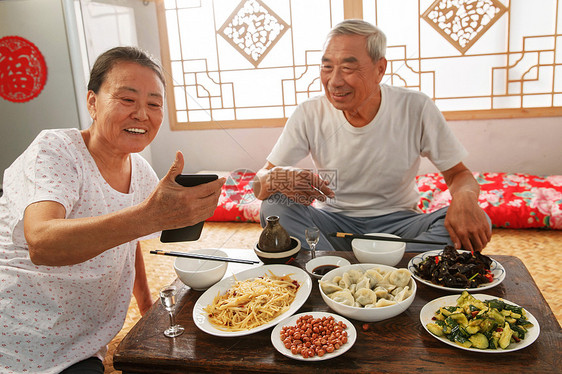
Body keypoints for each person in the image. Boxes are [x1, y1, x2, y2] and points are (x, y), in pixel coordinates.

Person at [0, 46, 225, 374]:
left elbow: (127, 239)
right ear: (92, 102)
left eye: (154, 104)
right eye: (127, 99)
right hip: (21, 339)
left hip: (86, 343)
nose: (142, 115)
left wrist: (146, 304)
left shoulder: (142, 172)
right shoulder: (56, 150)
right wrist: (150, 215)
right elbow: (42, 242)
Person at [252, 19, 491, 253]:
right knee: (275, 206)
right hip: (332, 225)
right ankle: (388, 270)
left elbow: (459, 174)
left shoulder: (415, 107)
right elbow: (260, 181)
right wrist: (273, 177)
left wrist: (466, 197)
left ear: (380, 69)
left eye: (348, 67)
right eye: (327, 67)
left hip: (400, 227)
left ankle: (335, 267)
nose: (334, 81)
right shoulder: (309, 112)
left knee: (476, 221)